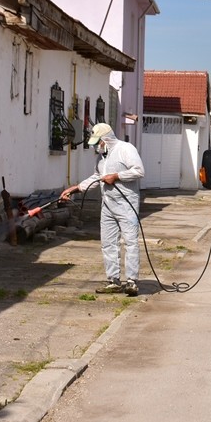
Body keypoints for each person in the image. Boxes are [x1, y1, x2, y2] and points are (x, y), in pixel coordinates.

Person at [61, 123, 145, 296]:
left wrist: (116, 176)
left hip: (126, 204)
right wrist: (75, 188)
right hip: (107, 205)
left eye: (98, 143)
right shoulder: (101, 158)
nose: (96, 147)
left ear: (106, 139)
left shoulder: (125, 149)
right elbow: (96, 177)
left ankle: (131, 281)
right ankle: (113, 280)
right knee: (108, 243)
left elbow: (138, 171)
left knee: (130, 242)